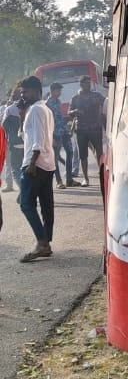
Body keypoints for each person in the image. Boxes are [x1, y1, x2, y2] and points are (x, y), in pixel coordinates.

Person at [17, 75, 56, 262]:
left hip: (36, 164)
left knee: (25, 204)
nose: (22, 95)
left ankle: (42, 243)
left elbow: (38, 141)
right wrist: (21, 116)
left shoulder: (37, 110)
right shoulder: (43, 109)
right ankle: (45, 241)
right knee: (46, 206)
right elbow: (26, 137)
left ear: (36, 90)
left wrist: (32, 164)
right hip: (47, 163)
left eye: (25, 92)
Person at [69, 74, 104, 187]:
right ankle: (86, 179)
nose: (88, 85)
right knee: (83, 155)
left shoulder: (97, 96)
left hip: (95, 128)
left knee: (99, 152)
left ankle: (103, 175)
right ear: (81, 84)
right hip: (81, 130)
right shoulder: (75, 98)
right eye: (85, 83)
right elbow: (69, 113)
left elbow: (107, 104)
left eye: (89, 83)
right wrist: (75, 111)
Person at [46, 82, 77, 188]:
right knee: (54, 157)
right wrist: (51, 135)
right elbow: (48, 121)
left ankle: (69, 179)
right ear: (52, 91)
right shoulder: (47, 104)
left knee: (70, 152)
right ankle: (59, 181)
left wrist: (68, 120)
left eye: (60, 91)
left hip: (63, 131)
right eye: (58, 91)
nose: (59, 93)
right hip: (54, 133)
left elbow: (59, 118)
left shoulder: (58, 101)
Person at [2, 92, 26, 192]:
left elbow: (3, 127)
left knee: (14, 168)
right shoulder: (28, 108)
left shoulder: (9, 110)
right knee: (24, 167)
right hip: (25, 143)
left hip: (13, 143)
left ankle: (22, 189)